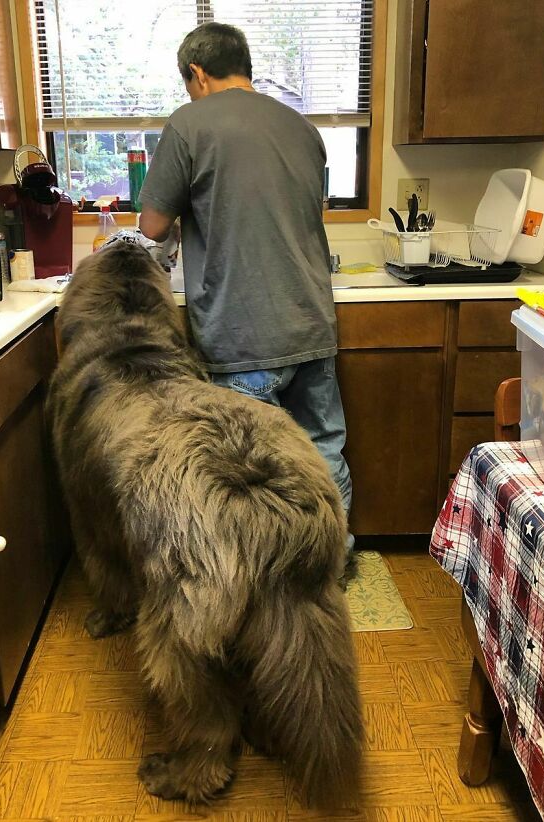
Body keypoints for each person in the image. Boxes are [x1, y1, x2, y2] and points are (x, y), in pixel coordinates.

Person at [139, 22, 355, 573]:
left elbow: (153, 224)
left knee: (255, 469)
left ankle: (272, 584)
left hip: (242, 332)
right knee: (323, 449)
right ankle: (328, 568)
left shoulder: (189, 123)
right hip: (310, 320)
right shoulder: (302, 128)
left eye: (188, 82)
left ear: (197, 74)